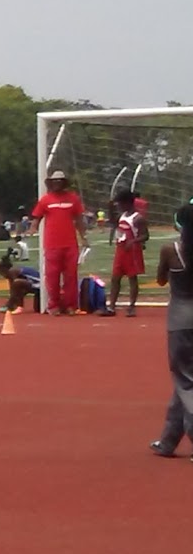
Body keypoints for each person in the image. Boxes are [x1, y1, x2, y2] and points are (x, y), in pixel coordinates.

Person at [152, 203, 193, 457]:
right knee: (186, 381)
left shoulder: (171, 250)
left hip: (180, 320)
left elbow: (160, 279)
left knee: (185, 380)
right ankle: (168, 439)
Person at [32, 170, 87, 315]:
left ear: (64, 183)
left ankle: (71, 305)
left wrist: (83, 236)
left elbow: (79, 219)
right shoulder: (45, 200)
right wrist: (32, 228)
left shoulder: (73, 199)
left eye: (60, 181)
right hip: (52, 244)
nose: (57, 183)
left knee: (71, 276)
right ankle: (54, 305)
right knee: (52, 276)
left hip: (70, 243)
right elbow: (37, 217)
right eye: (54, 181)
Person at [106, 190, 148, 317]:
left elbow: (145, 235)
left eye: (120, 203)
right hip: (121, 250)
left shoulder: (138, 218)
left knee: (132, 278)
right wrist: (109, 208)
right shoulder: (122, 215)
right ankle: (111, 306)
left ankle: (131, 306)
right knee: (115, 278)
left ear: (127, 203)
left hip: (132, 251)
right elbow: (114, 222)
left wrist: (134, 241)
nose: (118, 206)